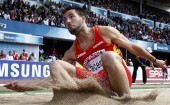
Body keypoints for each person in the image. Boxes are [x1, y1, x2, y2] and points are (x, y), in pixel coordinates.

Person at [4, 6, 166, 97]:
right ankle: (68, 99)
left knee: (108, 55)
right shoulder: (72, 51)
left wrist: (155, 61)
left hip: (119, 78)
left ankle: (126, 99)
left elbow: (132, 47)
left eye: (71, 16)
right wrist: (25, 85)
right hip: (98, 83)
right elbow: (53, 78)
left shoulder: (104, 31)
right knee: (56, 65)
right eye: (65, 19)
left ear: (83, 19)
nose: (67, 21)